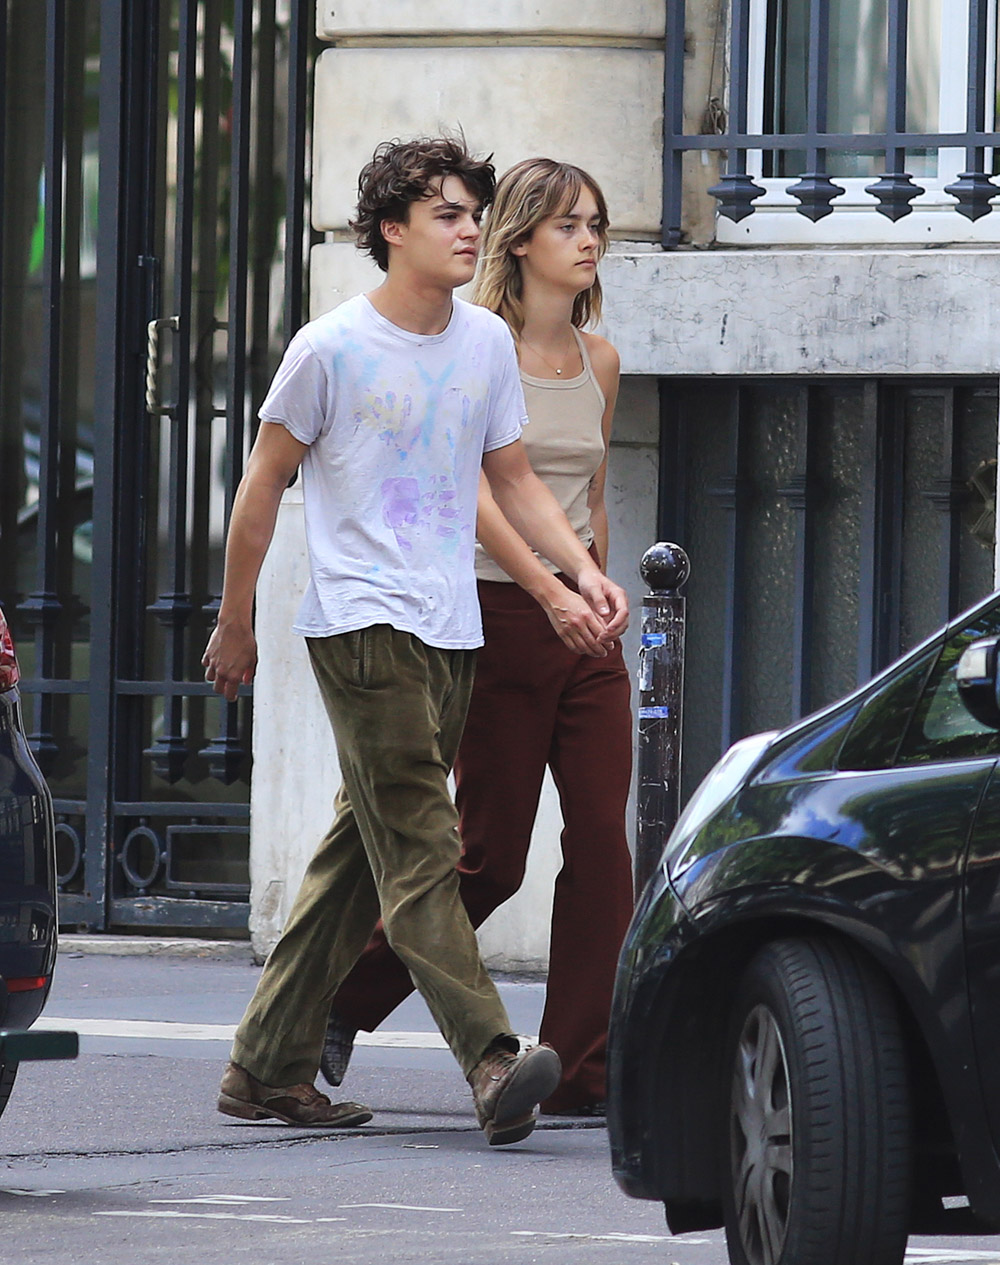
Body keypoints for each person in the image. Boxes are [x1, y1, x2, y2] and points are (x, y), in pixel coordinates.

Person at [202, 138, 629, 1146]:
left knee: (361, 852)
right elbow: (264, 486)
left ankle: (265, 1065)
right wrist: (236, 617)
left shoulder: (478, 348)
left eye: (472, 210)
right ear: (390, 230)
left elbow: (515, 477)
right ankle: (491, 1057)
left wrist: (583, 568)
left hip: (451, 626)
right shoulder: (330, 347)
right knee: (430, 847)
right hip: (361, 620)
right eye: (445, 212)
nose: (468, 226)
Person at [319, 158, 635, 1115]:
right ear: (524, 240)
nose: (589, 240)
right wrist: (547, 590)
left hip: (582, 621)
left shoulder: (601, 360)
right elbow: (486, 490)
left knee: (604, 846)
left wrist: (595, 583)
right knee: (490, 855)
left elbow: (590, 493)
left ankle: (584, 1065)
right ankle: (344, 996)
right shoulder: (477, 344)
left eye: (597, 224)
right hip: (497, 614)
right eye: (570, 224)